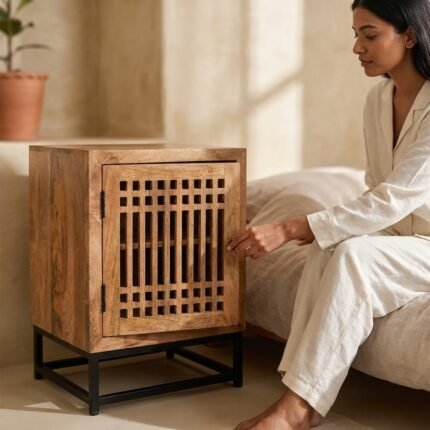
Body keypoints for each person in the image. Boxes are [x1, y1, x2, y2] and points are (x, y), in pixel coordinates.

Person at [228, 0, 430, 429]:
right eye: (356, 35)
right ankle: (300, 397)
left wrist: (292, 227)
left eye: (370, 35)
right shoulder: (377, 101)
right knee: (330, 245)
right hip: (402, 238)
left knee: (355, 256)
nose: (358, 47)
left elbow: (393, 198)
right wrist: (327, 231)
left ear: (410, 35)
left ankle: (297, 410)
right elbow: (376, 187)